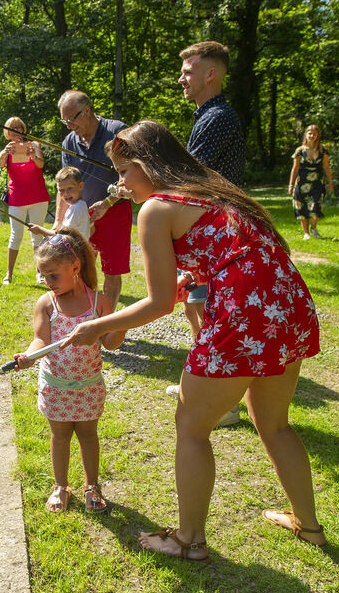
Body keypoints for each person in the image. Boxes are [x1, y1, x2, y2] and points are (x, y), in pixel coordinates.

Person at [62, 121, 325, 560]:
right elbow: (232, 251)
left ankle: (189, 540)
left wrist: (93, 328)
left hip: (244, 311)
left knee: (191, 428)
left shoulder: (157, 208)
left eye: (125, 171)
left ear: (147, 164)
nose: (121, 183)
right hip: (286, 302)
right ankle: (309, 526)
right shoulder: (214, 191)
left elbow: (158, 303)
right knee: (274, 423)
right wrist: (196, 276)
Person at [13, 228, 126, 513]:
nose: (47, 282)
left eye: (53, 275)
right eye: (43, 275)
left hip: (88, 385)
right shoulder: (46, 304)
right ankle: (60, 485)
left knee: (89, 435)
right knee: (59, 436)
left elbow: (111, 343)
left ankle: (92, 486)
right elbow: (41, 339)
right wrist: (30, 354)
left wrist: (121, 322)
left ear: (75, 267)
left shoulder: (97, 302)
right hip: (55, 386)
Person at [171, 40, 246, 427]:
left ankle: (226, 405)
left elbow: (189, 175)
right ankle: (205, 385)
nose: (181, 78)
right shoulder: (208, 114)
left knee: (212, 311)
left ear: (210, 73)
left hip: (224, 230)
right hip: (214, 227)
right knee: (195, 305)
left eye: (188, 70)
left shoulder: (216, 117)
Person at [57, 91, 130, 311]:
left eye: (72, 119)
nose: (69, 125)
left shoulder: (117, 131)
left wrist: (108, 202)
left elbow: (131, 176)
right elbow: (63, 186)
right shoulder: (68, 142)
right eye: (64, 121)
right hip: (82, 215)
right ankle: (86, 316)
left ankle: (107, 322)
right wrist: (59, 223)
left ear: (87, 110)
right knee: (78, 268)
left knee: (112, 270)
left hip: (115, 211)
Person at [0, 117, 51, 285]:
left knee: (38, 236)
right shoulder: (7, 149)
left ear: (23, 129)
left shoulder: (33, 145)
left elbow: (41, 164)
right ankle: (9, 274)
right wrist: (5, 152)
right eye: (12, 128)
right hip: (16, 198)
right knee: (16, 235)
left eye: (18, 127)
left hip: (38, 197)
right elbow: (0, 164)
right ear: (7, 132)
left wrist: (33, 156)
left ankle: (40, 273)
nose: (16, 131)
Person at [288, 125, 334, 240]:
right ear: (306, 134)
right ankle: (306, 233)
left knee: (316, 205)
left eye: (314, 133)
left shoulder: (323, 150)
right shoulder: (300, 151)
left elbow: (326, 167)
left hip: (317, 182)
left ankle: (314, 228)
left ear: (317, 135)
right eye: (309, 133)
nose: (311, 135)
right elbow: (295, 168)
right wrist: (291, 185)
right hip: (302, 183)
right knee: (302, 207)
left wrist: (331, 182)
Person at [29, 166, 92, 243]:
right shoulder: (81, 205)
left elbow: (62, 237)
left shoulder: (75, 208)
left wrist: (40, 230)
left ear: (81, 186)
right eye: (61, 190)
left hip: (73, 253)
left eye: (70, 188)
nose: (66, 193)